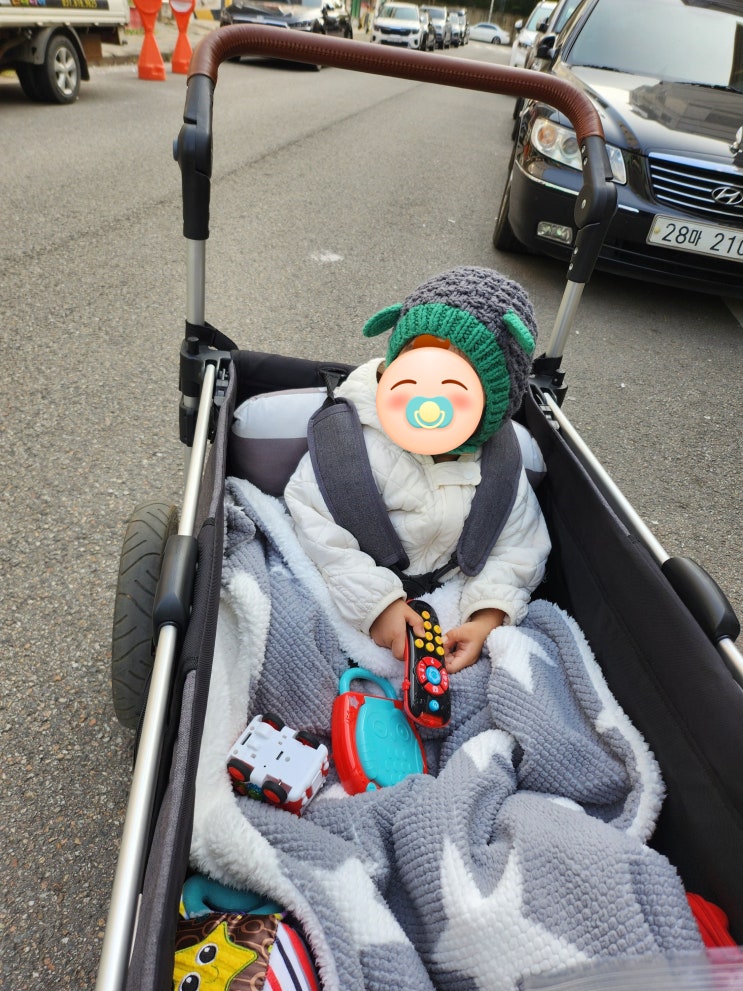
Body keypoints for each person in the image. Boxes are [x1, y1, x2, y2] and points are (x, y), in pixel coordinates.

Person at [284, 266, 551, 673]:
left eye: (454, 383)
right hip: (354, 588)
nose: (427, 401)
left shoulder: (500, 467)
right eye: (417, 367)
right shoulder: (353, 441)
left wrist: (486, 616)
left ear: (493, 397)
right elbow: (316, 524)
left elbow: (518, 548)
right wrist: (377, 605)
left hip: (448, 605)